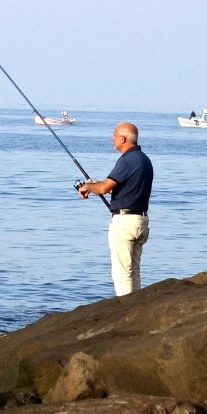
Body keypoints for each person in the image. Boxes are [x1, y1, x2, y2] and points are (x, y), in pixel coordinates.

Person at [76, 122, 154, 296]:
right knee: (133, 270)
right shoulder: (144, 160)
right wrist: (93, 185)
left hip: (125, 222)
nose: (112, 138)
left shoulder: (127, 160)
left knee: (122, 273)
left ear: (123, 139)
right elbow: (121, 189)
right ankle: (136, 305)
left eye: (115, 135)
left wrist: (88, 187)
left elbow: (104, 188)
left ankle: (125, 307)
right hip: (141, 220)